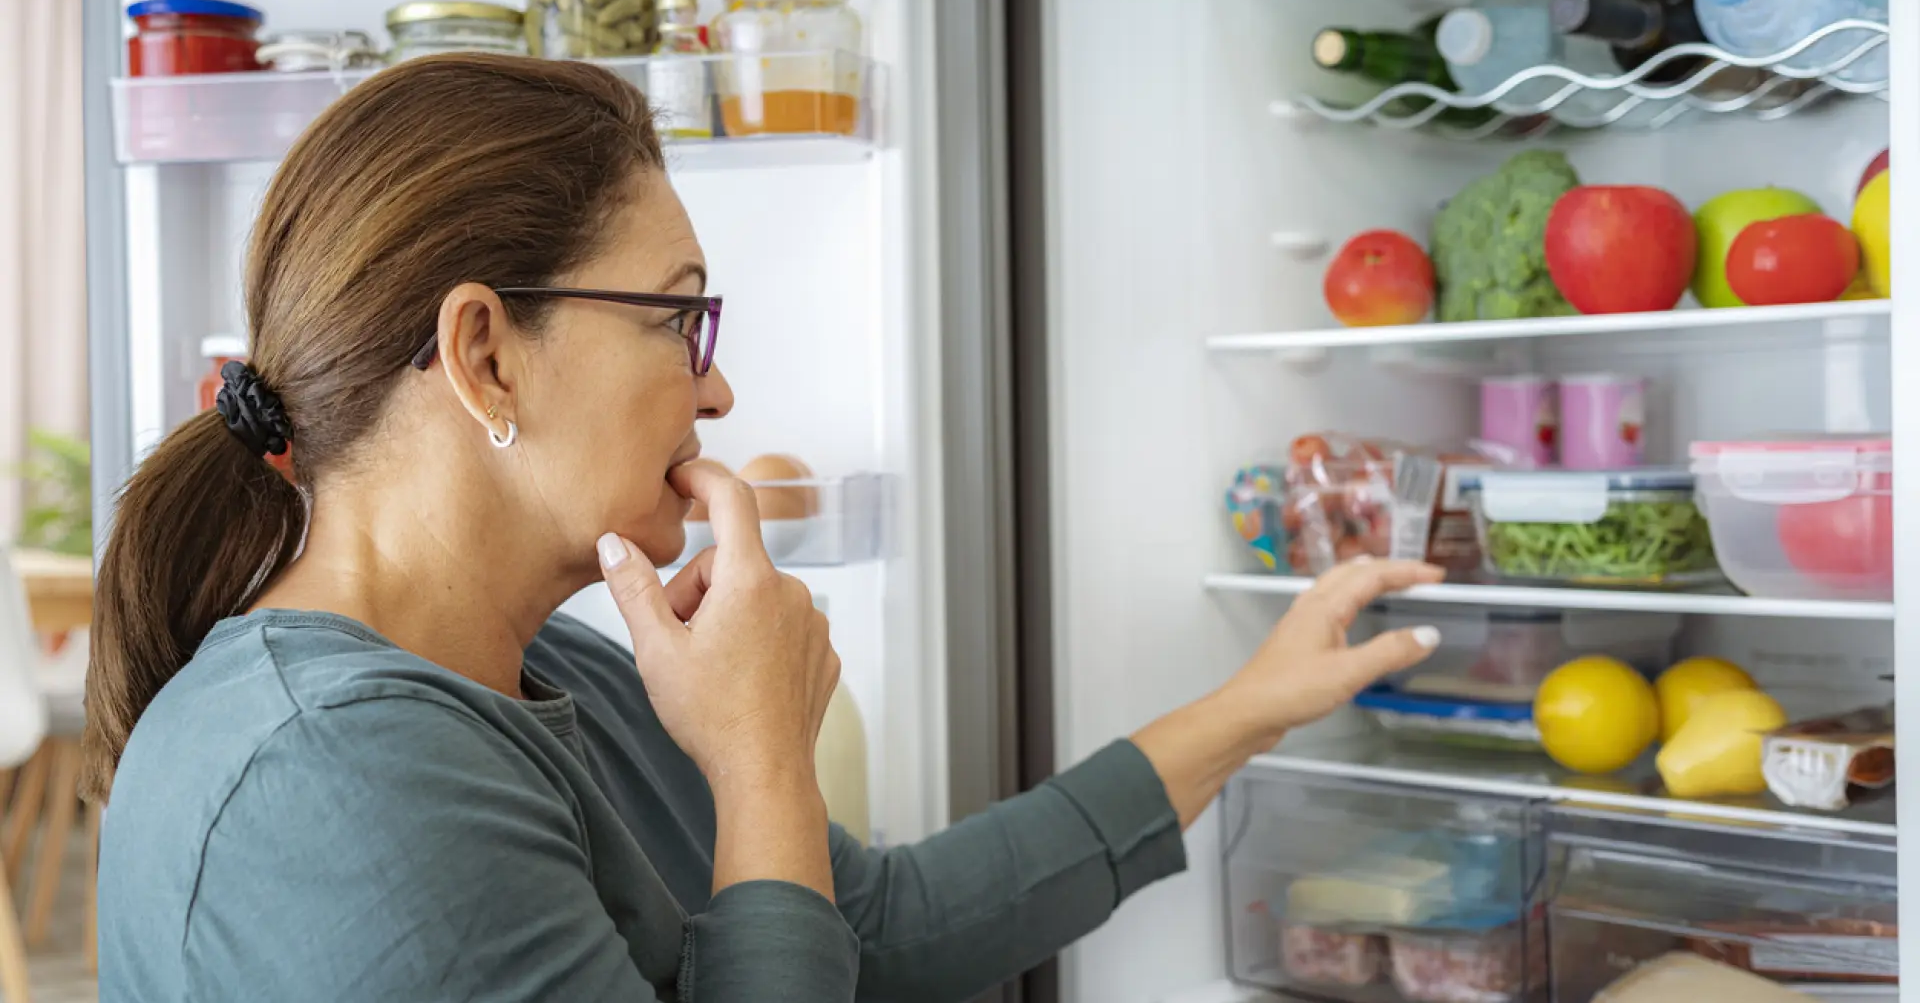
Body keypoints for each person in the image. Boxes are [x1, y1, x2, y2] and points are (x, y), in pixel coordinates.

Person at [87, 54, 1444, 1003]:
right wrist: (758, 764)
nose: (717, 384)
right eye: (678, 318)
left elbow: (875, 930)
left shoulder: (561, 671)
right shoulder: (331, 784)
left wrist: (1256, 703)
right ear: (487, 356)